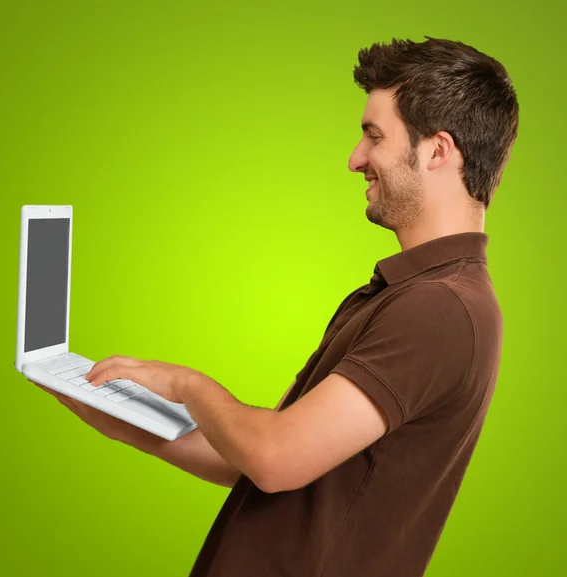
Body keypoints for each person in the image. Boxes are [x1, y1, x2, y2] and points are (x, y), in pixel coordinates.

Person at [31, 36, 519, 577]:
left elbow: (274, 459)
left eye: (373, 136)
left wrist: (186, 385)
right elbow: (247, 456)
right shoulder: (406, 296)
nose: (356, 159)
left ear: (437, 151)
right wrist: (123, 419)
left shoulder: (441, 309)